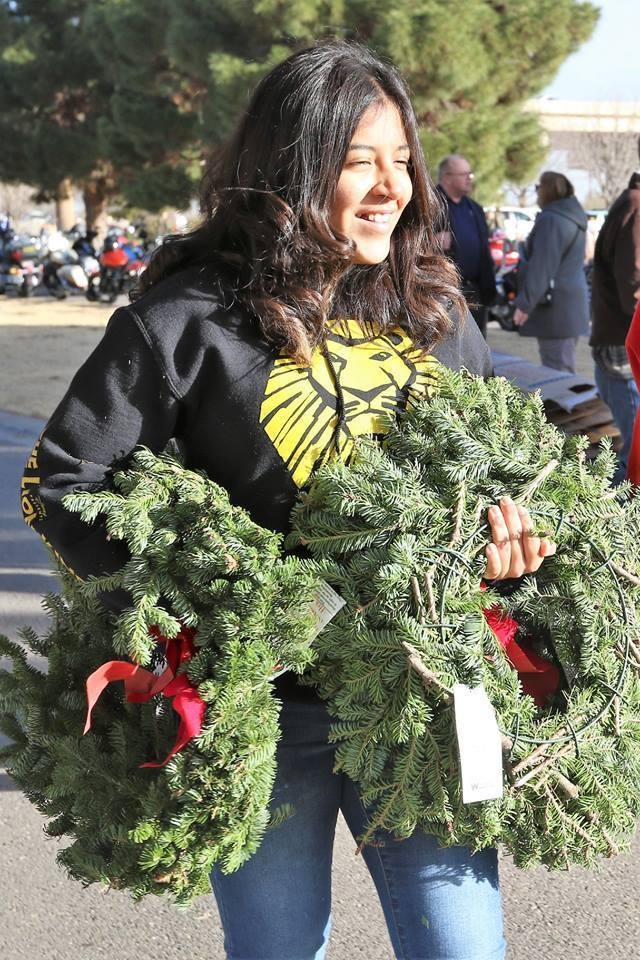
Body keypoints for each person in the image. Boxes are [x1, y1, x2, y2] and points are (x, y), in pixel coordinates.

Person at [21, 41, 556, 960]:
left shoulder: (438, 315)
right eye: (360, 162)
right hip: (263, 719)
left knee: (464, 950)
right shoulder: (185, 322)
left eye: (403, 162)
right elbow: (62, 482)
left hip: (422, 701)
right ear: (295, 168)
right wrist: (194, 611)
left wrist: (509, 551)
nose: (392, 187)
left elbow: (490, 486)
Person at [512, 171, 589, 374]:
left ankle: (565, 408)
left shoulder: (553, 220)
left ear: (547, 190)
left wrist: (524, 304)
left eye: (538, 187)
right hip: (569, 306)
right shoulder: (572, 216)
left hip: (556, 309)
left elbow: (542, 266)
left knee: (557, 372)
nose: (536, 193)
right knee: (562, 367)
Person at [590, 171, 640, 485]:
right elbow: (635, 286)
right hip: (624, 339)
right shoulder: (636, 208)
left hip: (616, 336)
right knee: (633, 445)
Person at [436, 154, 496, 336]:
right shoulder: (429, 203)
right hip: (443, 293)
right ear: (447, 177)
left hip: (474, 292)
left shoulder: (474, 208)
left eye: (470, 174)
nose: (470, 179)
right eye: (464, 175)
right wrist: (431, 241)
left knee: (475, 349)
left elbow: (484, 249)